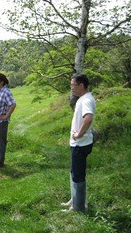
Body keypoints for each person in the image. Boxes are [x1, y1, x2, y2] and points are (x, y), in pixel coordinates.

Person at [61, 73, 96, 212]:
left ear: (81, 85)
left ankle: (79, 207)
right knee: (74, 172)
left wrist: (79, 134)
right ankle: (74, 200)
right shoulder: (83, 98)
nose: (71, 88)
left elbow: (88, 118)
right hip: (78, 144)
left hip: (80, 144)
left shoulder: (86, 100)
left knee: (78, 175)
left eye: (73, 85)